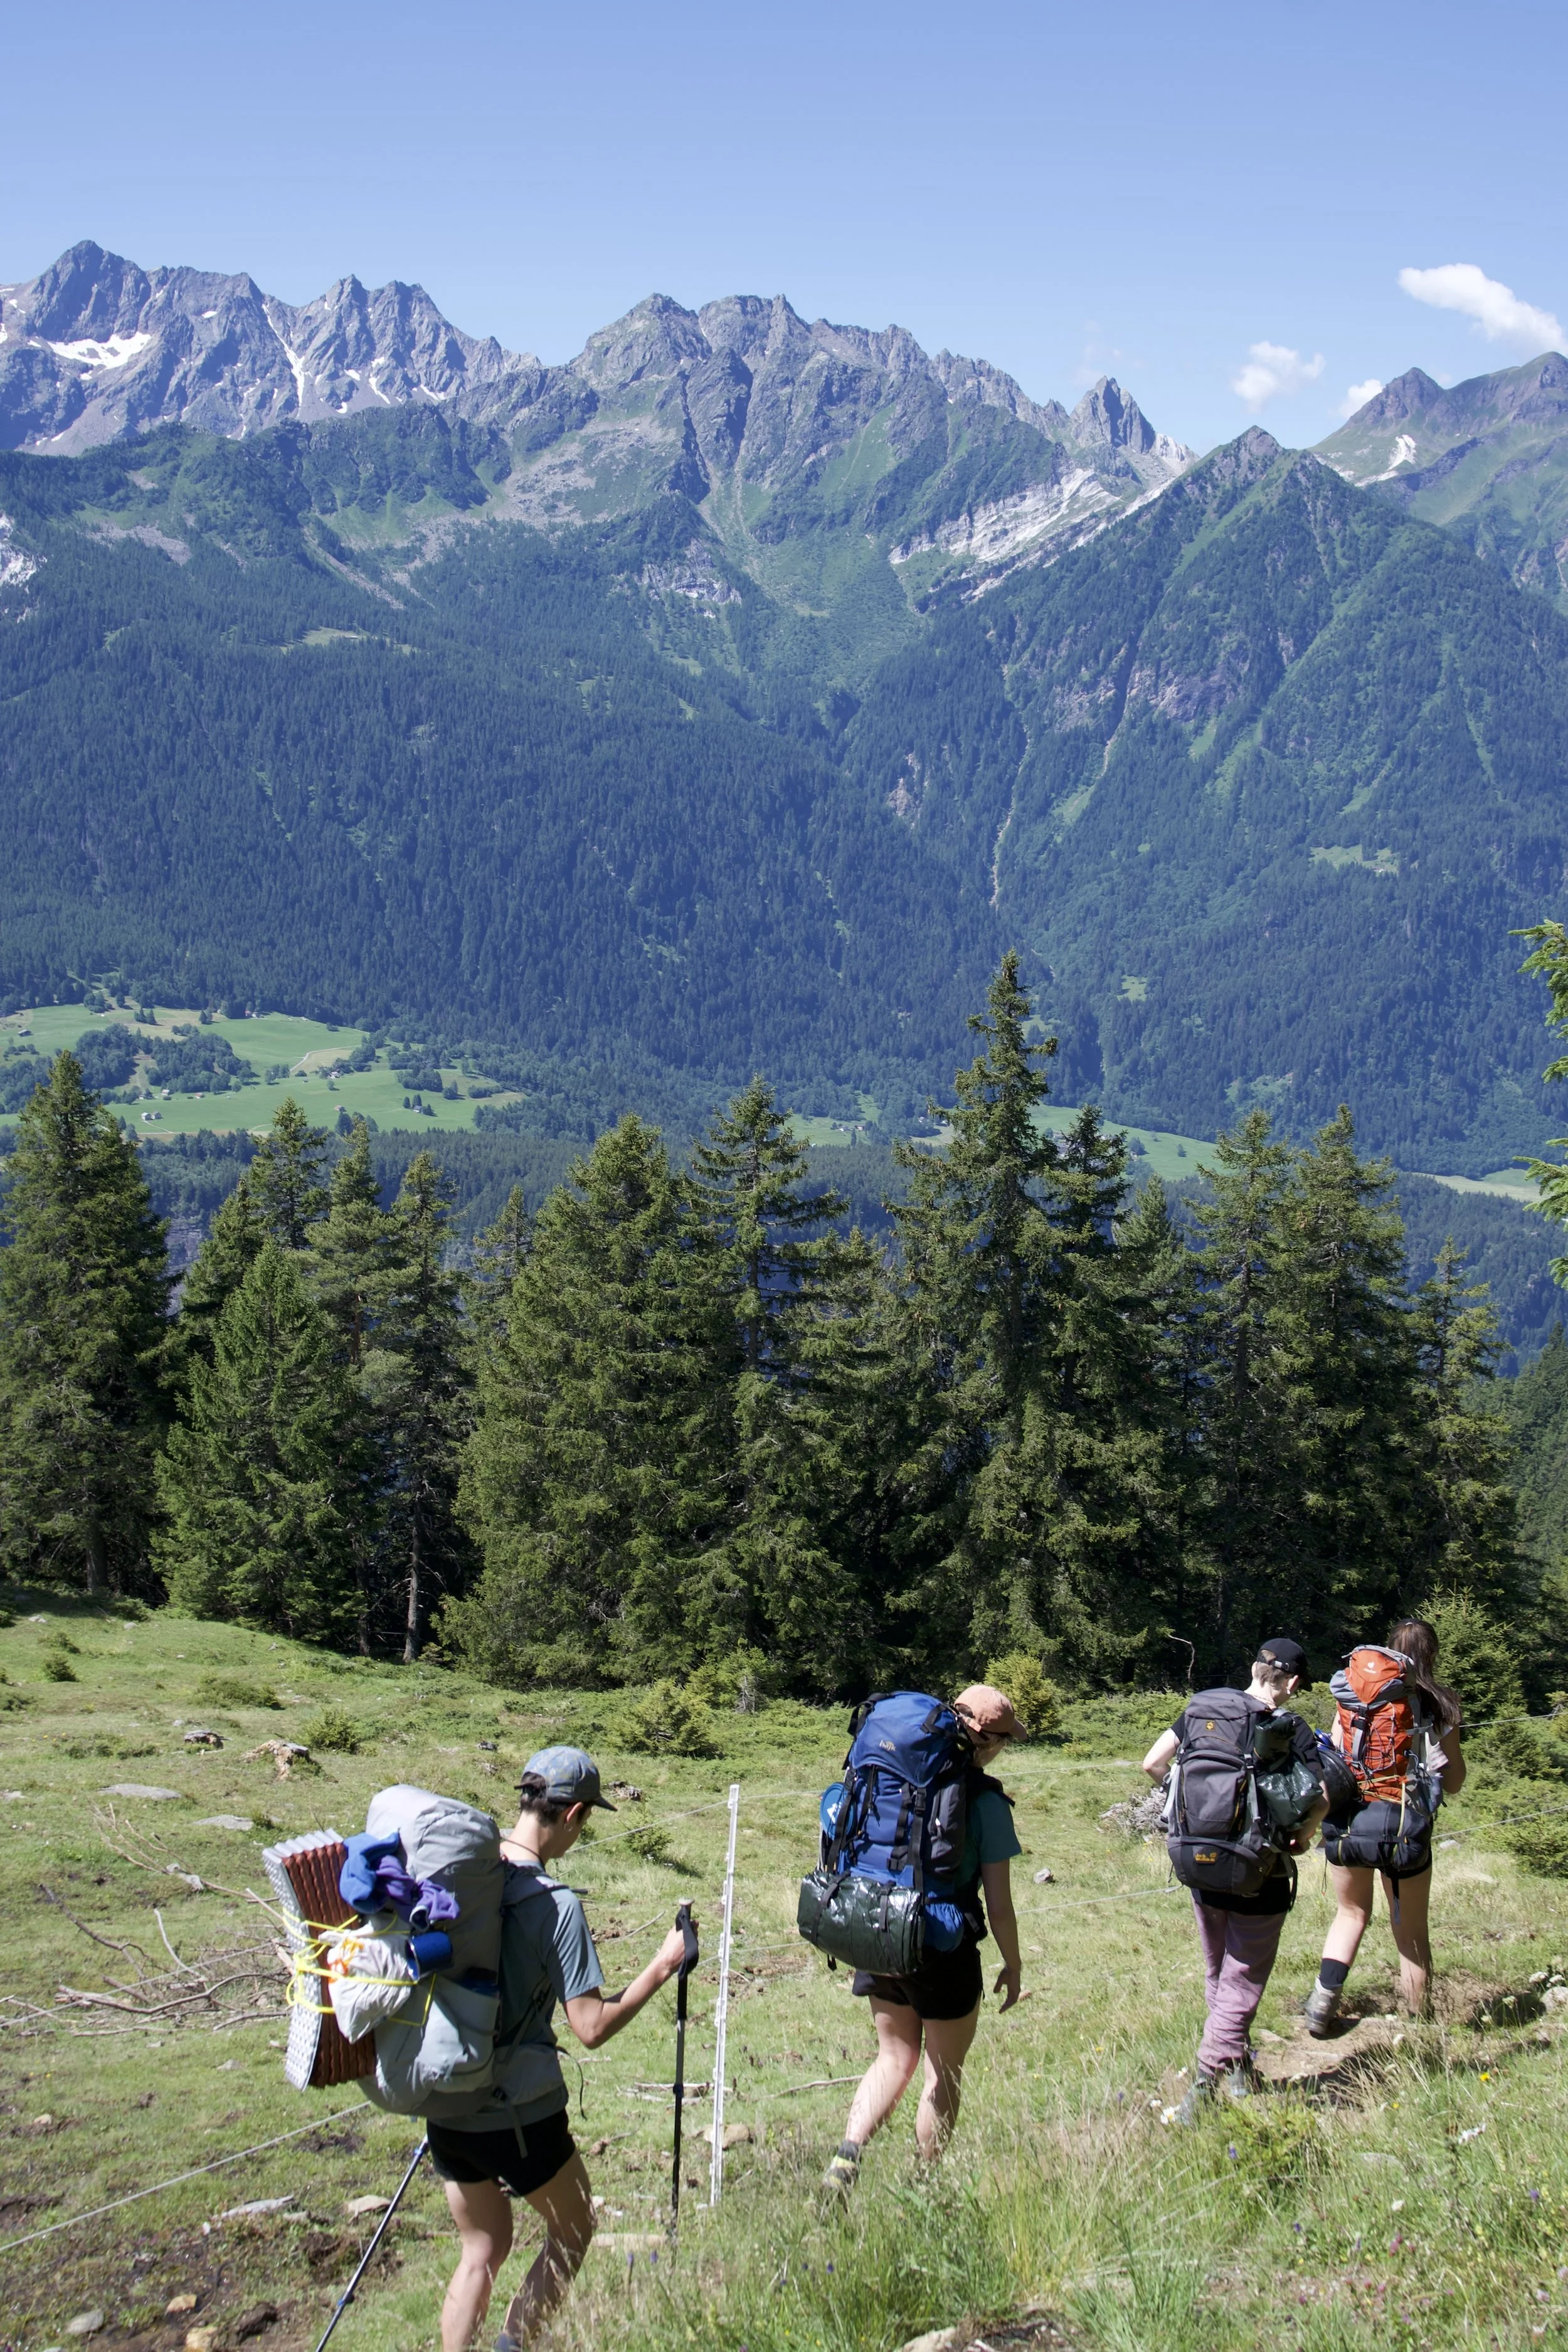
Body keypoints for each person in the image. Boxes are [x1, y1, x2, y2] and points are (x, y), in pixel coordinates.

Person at [428, 1746, 695, 2352]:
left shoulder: (465, 1876)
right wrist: (661, 1965)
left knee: (482, 2248)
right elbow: (590, 2027)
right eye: (587, 1820)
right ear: (573, 1814)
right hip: (519, 2112)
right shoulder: (555, 1905)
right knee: (574, 2230)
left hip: (444, 2096)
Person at [823, 1683, 1025, 2196]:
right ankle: (924, 2189)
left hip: (877, 1930)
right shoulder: (985, 1803)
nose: (1005, 1749)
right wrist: (1014, 1964)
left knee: (892, 2058)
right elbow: (999, 1906)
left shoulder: (889, 1777)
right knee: (942, 2073)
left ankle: (845, 2162)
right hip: (940, 1945)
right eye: (1004, 1740)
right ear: (987, 1741)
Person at [1142, 1638, 1328, 2122]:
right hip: (1257, 1870)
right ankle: (1205, 2082)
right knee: (1242, 1978)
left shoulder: (1205, 1708)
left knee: (1219, 1972)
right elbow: (1320, 1798)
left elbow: (1153, 1763)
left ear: (1254, 1669)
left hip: (1199, 1865)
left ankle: (1239, 2070)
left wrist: (1192, 1812)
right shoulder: (1288, 1728)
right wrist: (1302, 1839)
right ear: (1291, 1682)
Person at [1305, 1616, 1465, 2033]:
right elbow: (1457, 1781)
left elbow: (1339, 1756)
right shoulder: (1441, 1705)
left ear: (1391, 1648)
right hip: (1403, 1827)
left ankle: (1322, 2006)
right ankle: (1419, 2025)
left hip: (1348, 1820)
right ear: (1430, 1655)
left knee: (1350, 1913)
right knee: (1410, 1930)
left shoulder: (1353, 1696)